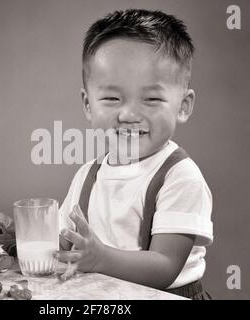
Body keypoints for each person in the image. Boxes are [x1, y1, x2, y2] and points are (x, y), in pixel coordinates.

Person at [55, 9, 213, 300]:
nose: (128, 114)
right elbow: (68, 239)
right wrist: (33, 232)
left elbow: (165, 266)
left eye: (151, 99)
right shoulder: (88, 174)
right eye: (113, 99)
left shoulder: (179, 177)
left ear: (183, 105)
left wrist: (100, 258)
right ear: (88, 105)